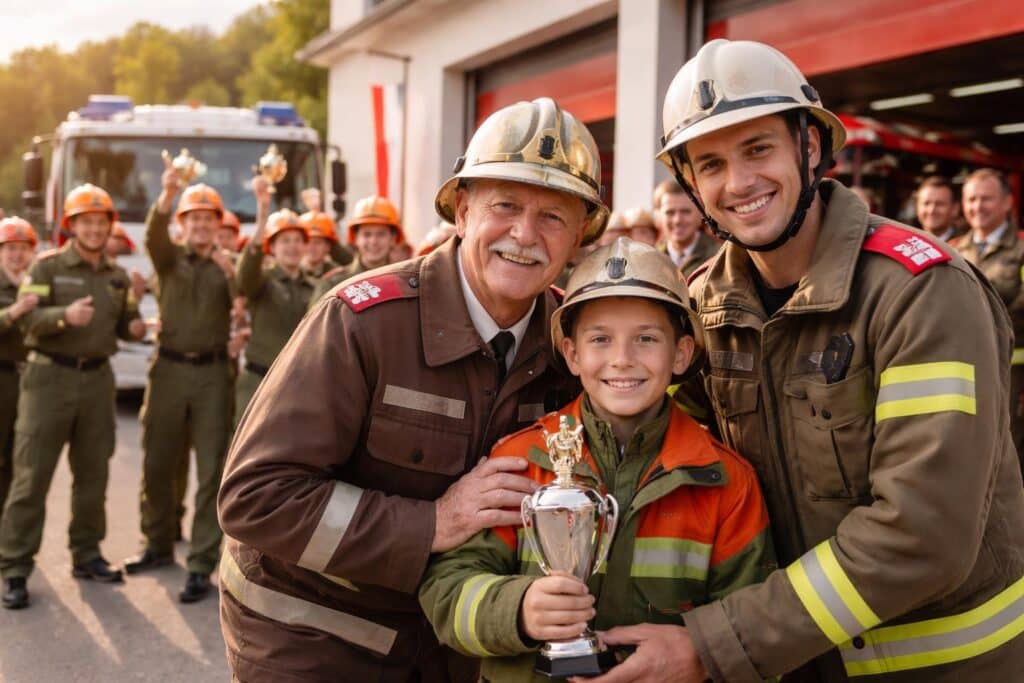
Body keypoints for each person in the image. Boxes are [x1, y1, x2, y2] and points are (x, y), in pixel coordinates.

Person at [582, 39, 1024, 682]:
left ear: (810, 147)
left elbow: (922, 537)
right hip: (789, 661)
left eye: (758, 149)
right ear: (691, 185)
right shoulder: (702, 309)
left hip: (942, 666)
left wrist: (712, 646)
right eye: (711, 164)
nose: (739, 183)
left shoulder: (922, 293)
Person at [217, 97, 608, 682]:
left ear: (580, 236)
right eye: (505, 205)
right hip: (311, 633)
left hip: (456, 639)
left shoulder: (574, 344)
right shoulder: (362, 323)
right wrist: (432, 523)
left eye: (554, 217)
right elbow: (256, 497)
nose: (525, 235)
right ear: (463, 211)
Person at [419, 238, 774, 682]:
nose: (622, 360)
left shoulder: (726, 481)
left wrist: (701, 657)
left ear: (682, 353)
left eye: (646, 339)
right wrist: (518, 610)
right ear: (572, 354)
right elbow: (446, 592)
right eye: (600, 339)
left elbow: (753, 628)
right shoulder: (520, 461)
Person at [0, 186, 145, 609]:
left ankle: (86, 554)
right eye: (86, 222)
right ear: (71, 226)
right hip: (49, 380)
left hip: (97, 381)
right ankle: (14, 567)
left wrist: (135, 325)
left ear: (109, 227)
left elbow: (125, 324)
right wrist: (64, 316)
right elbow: (28, 321)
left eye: (101, 222)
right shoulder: (46, 268)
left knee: (93, 473)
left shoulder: (117, 276)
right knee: (31, 477)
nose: (95, 229)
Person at [124, 163, 235, 605]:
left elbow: (249, 294)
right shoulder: (168, 260)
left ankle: (201, 563)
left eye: (209, 219)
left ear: (218, 225)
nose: (202, 225)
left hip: (213, 374)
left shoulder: (227, 266)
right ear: (183, 224)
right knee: (158, 459)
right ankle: (156, 542)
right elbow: (153, 235)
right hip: (168, 370)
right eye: (194, 218)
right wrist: (168, 193)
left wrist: (232, 273)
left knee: (211, 469)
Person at [955, 168, 1024, 469]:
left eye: (986, 199)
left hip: (1012, 371)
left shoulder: (1021, 249)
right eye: (971, 199)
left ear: (1007, 203)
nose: (977, 206)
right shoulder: (953, 249)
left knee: (1008, 447)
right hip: (963, 367)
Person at [234, 199, 315, 426]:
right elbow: (245, 275)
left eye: (298, 240)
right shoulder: (263, 282)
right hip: (259, 381)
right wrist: (261, 219)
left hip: (299, 385)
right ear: (272, 247)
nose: (292, 247)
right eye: (285, 240)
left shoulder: (315, 287)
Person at [0, 218, 40, 530]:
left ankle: (9, 532)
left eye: (23, 248)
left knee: (22, 460)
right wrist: (14, 312)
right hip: (2, 378)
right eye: (10, 248)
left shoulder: (39, 282)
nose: (17, 255)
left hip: (32, 380)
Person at [307, 195, 406, 307]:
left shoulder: (404, 283)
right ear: (355, 238)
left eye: (381, 234)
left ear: (393, 239)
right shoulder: (332, 284)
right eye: (367, 234)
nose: (373, 241)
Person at [654, 178, 719, 279]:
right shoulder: (650, 259)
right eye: (670, 212)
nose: (677, 220)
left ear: (700, 214)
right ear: (658, 216)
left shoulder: (719, 258)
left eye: (685, 212)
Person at [915, 175, 964, 243]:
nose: (931, 210)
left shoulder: (964, 245)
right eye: (926, 203)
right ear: (917, 207)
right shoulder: (906, 243)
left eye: (939, 204)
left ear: (955, 209)